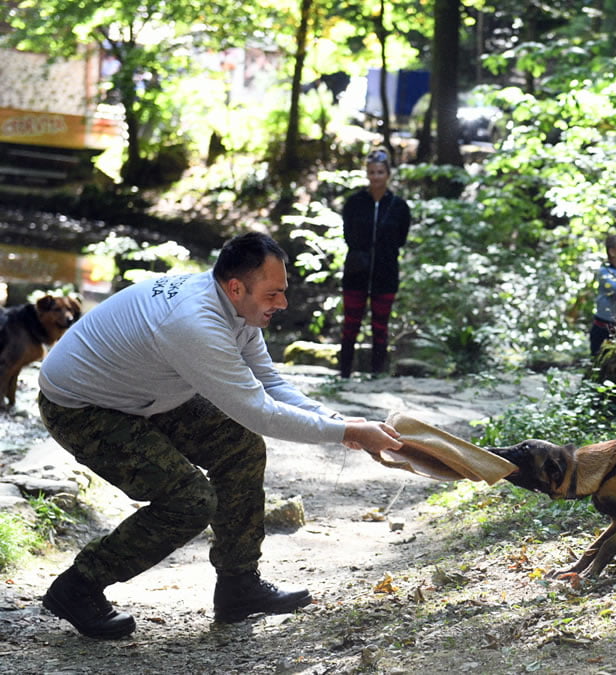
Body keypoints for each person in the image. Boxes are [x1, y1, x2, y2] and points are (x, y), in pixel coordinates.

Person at [36, 232, 405, 640]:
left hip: (144, 391)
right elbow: (259, 411)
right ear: (236, 287)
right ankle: (79, 586)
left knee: (240, 448)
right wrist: (347, 432)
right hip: (82, 407)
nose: (281, 304)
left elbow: (268, 382)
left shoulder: (238, 309)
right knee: (189, 501)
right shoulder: (194, 323)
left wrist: (341, 422)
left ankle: (238, 585)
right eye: (273, 294)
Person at [339, 148, 412, 377]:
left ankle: (376, 374)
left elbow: (400, 239)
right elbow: (348, 235)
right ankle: (344, 374)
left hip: (386, 273)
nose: (375, 177)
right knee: (351, 324)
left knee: (380, 326)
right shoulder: (354, 203)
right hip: (356, 273)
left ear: (388, 174)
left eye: (380, 172)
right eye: (371, 172)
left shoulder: (399, 206)